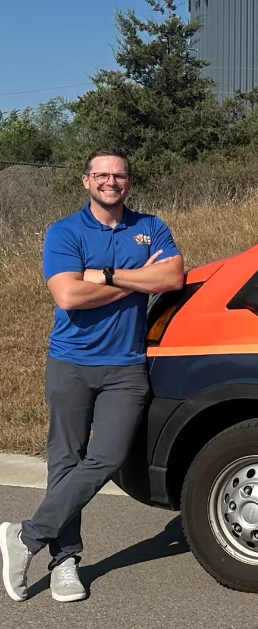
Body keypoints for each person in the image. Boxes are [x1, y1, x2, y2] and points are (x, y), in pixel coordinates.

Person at [0, 149, 184, 603]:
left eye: (118, 175)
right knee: (66, 460)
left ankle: (25, 536)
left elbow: (174, 277)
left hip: (126, 366)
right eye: (101, 175)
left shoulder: (150, 227)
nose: (110, 182)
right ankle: (66, 560)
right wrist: (137, 279)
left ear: (129, 182)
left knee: (107, 457)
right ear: (86, 181)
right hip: (71, 363)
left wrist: (104, 275)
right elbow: (68, 296)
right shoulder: (64, 231)